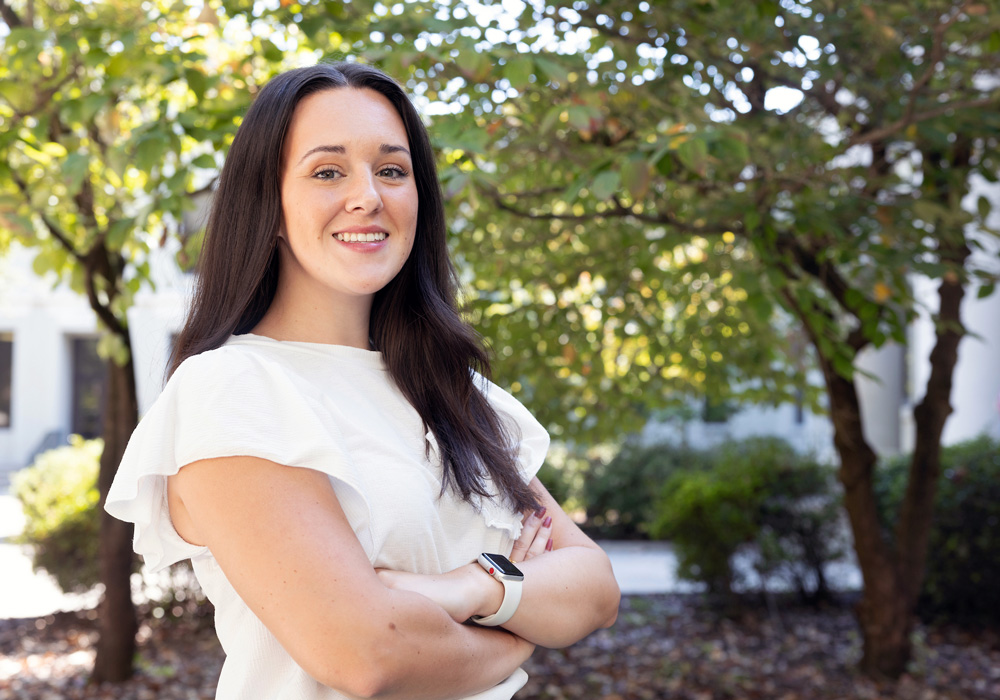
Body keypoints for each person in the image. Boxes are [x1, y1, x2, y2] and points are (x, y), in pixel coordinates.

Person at [105, 61, 620, 700]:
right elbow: (367, 654)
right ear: (268, 203)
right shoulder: (234, 388)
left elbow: (594, 588)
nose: (368, 196)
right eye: (328, 171)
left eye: (392, 170)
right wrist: (520, 626)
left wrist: (467, 588)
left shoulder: (454, 395)